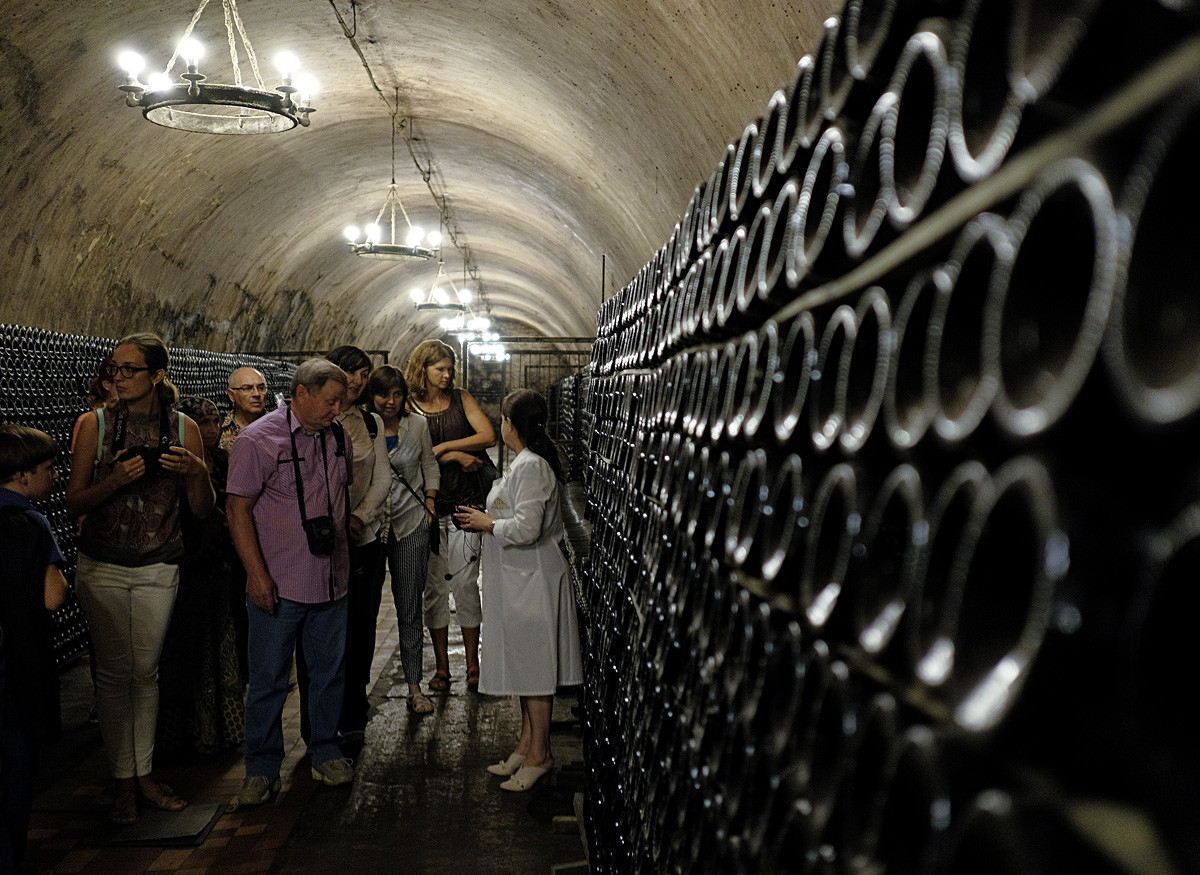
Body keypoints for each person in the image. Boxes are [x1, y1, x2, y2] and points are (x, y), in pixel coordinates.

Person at [66, 333, 215, 825]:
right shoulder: (95, 424)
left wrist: (196, 472)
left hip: (157, 563)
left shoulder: (184, 427)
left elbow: (201, 510)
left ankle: (141, 773)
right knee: (113, 674)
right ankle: (122, 782)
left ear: (156, 375)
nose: (119, 377)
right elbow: (74, 503)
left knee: (145, 672)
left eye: (130, 369)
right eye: (114, 368)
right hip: (103, 564)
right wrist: (115, 480)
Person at [227, 359, 355, 807]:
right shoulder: (258, 440)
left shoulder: (338, 437)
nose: (338, 410)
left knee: (327, 674)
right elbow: (237, 510)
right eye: (331, 400)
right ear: (302, 393)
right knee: (268, 680)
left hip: (330, 580)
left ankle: (325, 750)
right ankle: (261, 768)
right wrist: (256, 576)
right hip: (277, 583)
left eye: (342, 401)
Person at [455, 389, 583, 793]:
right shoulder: (525, 463)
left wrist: (486, 523)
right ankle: (526, 745)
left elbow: (527, 528)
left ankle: (541, 755)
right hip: (518, 578)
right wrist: (488, 519)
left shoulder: (532, 467)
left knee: (535, 669)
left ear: (513, 424)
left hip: (533, 580)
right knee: (526, 666)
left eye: (504, 419)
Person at [296, 346, 390, 745]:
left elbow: (382, 477)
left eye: (364, 374)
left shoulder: (369, 423)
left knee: (360, 629)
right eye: (351, 372)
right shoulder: (314, 423)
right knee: (318, 634)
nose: (357, 380)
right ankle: (316, 723)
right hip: (317, 544)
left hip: (362, 539)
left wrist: (358, 517)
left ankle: (353, 709)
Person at [405, 340, 496, 693]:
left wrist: (444, 448)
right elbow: (410, 456)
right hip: (426, 507)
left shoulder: (461, 398)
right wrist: (456, 456)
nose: (446, 375)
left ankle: (473, 664)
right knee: (434, 590)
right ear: (422, 369)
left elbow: (487, 435)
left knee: (465, 586)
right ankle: (442, 668)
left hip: (465, 503)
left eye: (449, 368)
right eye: (439, 369)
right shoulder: (409, 406)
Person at [156, 397, 245, 755]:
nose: (209, 430)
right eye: (201, 423)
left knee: (220, 647)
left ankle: (217, 731)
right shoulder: (174, 466)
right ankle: (180, 736)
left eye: (213, 422)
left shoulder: (225, 460)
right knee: (182, 653)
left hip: (219, 564)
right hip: (185, 564)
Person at [0, 424, 69, 871]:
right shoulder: (32, 524)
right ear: (23, 476)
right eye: (48, 468)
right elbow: (53, 595)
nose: (56, 475)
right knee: (12, 774)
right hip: (15, 672)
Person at [365, 365, 439, 715]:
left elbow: (430, 465)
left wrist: (430, 504)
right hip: (370, 529)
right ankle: (357, 693)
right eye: (383, 394)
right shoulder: (361, 426)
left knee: (409, 607)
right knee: (363, 613)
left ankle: (414, 686)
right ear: (371, 395)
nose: (390, 402)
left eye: (397, 394)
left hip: (410, 523)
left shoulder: (418, 425)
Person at [220, 367, 269, 452]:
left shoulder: (279, 426)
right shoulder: (218, 429)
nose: (256, 394)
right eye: (247, 388)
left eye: (261, 388)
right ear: (231, 395)